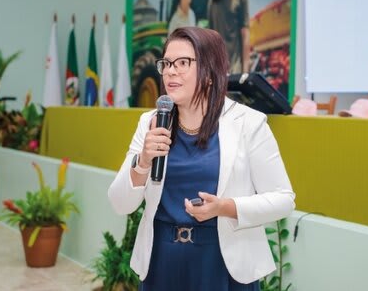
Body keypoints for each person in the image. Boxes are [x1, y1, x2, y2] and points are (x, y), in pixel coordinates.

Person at [108, 27, 295, 290]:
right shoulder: (150, 123)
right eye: (167, 63)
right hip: (161, 261)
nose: (171, 71)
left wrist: (225, 207)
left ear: (210, 72)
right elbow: (120, 203)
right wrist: (143, 161)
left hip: (222, 264)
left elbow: (283, 199)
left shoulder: (248, 123)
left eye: (183, 62)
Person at [208, 0, 250, 73]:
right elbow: (211, 38)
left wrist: (245, 72)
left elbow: (245, 33)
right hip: (218, 70)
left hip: (236, 68)